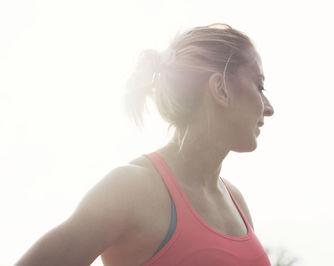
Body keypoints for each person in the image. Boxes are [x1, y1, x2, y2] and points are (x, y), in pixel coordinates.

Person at [15, 23, 274, 266]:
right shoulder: (132, 189)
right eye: (259, 86)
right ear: (221, 89)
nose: (269, 108)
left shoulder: (235, 200)